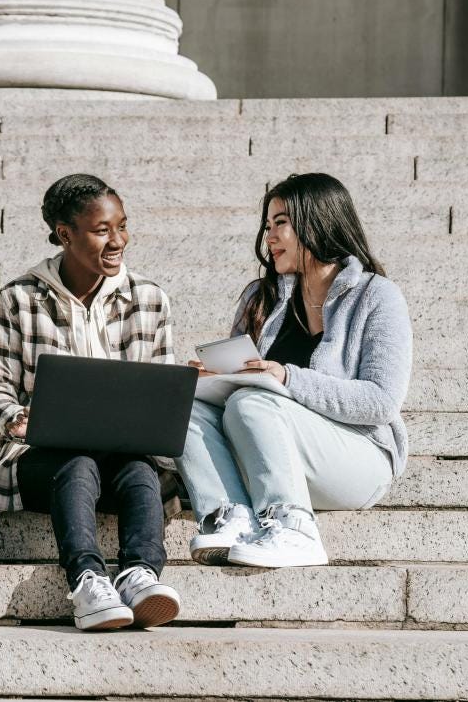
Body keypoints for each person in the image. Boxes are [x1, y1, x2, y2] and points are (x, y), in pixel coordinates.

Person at [176, 172, 412, 568]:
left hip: (358, 457)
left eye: (280, 223)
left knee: (254, 402)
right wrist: (216, 376)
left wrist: (287, 377)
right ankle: (230, 518)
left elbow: (381, 402)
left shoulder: (376, 296)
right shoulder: (261, 297)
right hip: (265, 453)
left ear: (316, 222)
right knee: (186, 405)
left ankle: (296, 531)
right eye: (267, 226)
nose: (269, 237)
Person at [0, 173, 182, 631]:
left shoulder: (150, 299)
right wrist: (16, 420)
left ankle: (140, 574)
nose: (118, 240)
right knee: (77, 460)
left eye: (122, 226)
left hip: (124, 459)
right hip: (43, 465)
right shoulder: (16, 300)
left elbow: (162, 387)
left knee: (140, 469)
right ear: (65, 234)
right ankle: (87, 579)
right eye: (103, 229)